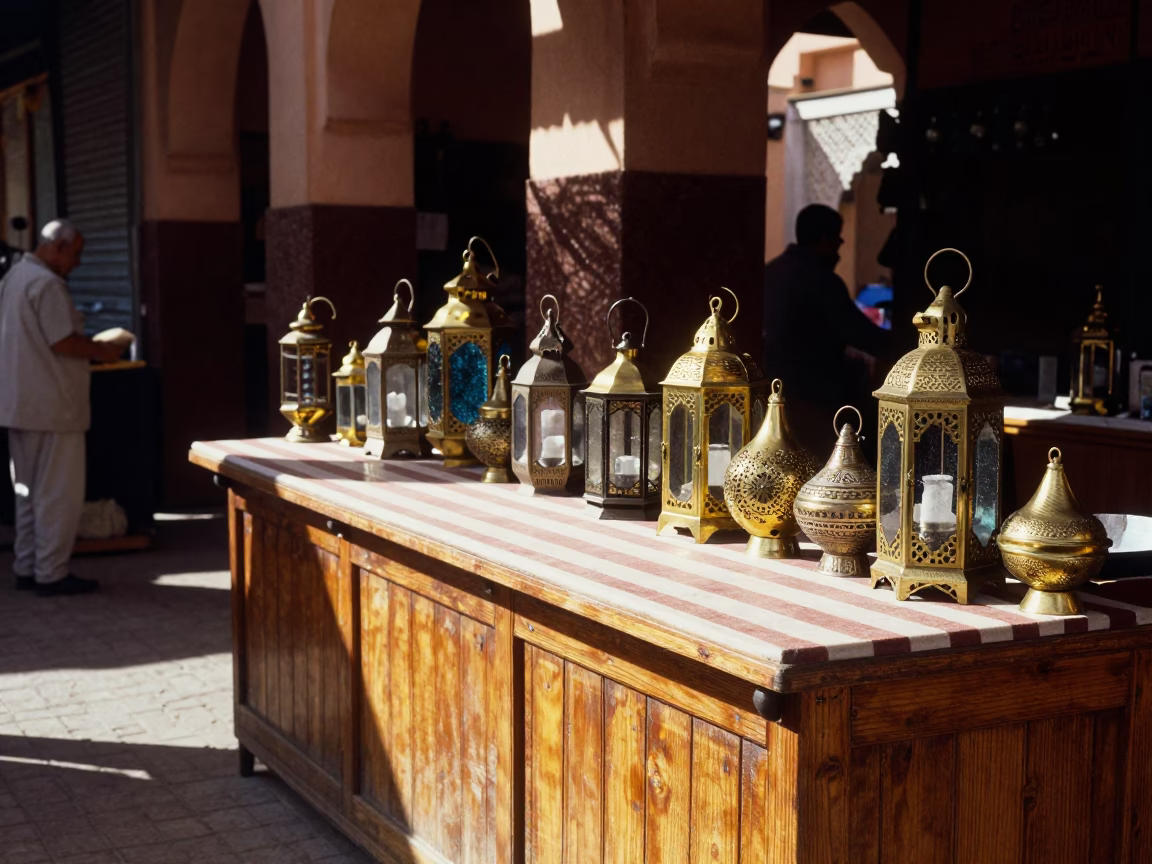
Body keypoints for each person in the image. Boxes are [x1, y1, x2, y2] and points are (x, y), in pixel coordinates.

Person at [0, 220, 121, 596]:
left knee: (28, 490)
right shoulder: (47, 285)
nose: (77, 263)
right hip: (53, 405)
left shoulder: (15, 276)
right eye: (76, 254)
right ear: (57, 247)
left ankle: (27, 565)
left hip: (21, 402)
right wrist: (102, 351)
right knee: (56, 494)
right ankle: (50, 572)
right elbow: (63, 342)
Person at [762, 204, 890, 453]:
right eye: (837, 240)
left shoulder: (771, 272)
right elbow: (862, 335)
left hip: (771, 388)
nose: (840, 247)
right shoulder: (821, 280)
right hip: (815, 396)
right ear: (824, 240)